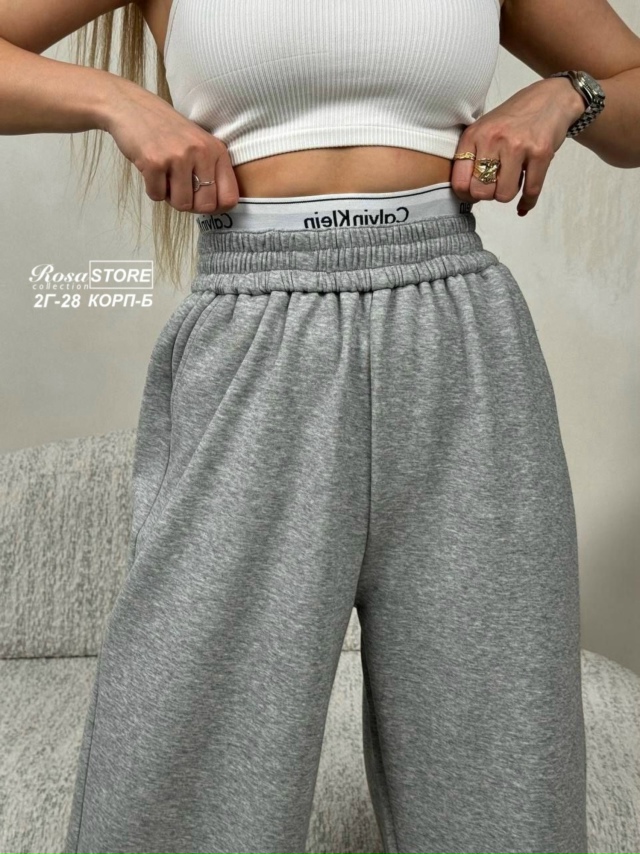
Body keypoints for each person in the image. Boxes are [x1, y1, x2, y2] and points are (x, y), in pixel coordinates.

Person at [4, 0, 638, 851]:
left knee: (502, 772)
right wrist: (117, 100)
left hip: (460, 341)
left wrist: (568, 94)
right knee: (181, 766)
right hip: (256, 332)